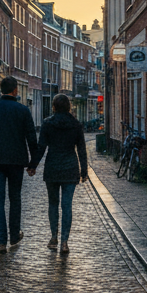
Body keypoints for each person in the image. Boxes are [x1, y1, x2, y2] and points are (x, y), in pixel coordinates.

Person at [0, 76, 39, 253]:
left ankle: (1, 241)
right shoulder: (23, 110)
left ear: (0, 90)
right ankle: (13, 236)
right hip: (16, 162)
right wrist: (33, 163)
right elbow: (31, 138)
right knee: (15, 198)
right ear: (15, 91)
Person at [33, 94, 88, 254]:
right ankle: (64, 242)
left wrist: (33, 165)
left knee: (53, 204)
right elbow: (82, 149)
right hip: (70, 167)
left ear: (54, 107)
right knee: (67, 205)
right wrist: (84, 171)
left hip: (53, 167)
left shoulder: (47, 124)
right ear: (69, 107)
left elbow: (41, 147)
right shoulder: (76, 125)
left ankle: (53, 237)